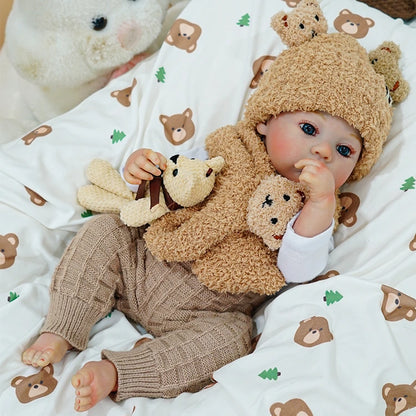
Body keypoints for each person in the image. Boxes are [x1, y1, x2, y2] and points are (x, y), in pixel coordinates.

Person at [21, 26, 392, 412]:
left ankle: (118, 373)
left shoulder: (316, 208)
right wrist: (143, 170)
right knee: (106, 229)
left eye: (344, 149)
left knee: (234, 339)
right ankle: (63, 328)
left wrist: (318, 207)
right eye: (309, 129)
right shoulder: (227, 148)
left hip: (208, 313)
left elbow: (299, 269)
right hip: (144, 263)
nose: (322, 151)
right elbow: (172, 187)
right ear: (267, 119)